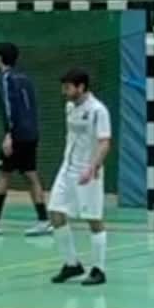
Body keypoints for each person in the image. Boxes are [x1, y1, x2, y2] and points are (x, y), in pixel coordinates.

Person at [48, 69, 112, 286]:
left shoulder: (98, 111)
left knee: (93, 219)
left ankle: (99, 269)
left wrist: (92, 167)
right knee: (56, 213)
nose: (64, 92)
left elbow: (104, 143)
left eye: (67, 87)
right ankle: (72, 264)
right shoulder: (69, 108)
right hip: (67, 170)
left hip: (88, 171)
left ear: (81, 87)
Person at [0, 43, 52, 236]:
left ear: (0, 58)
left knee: (4, 175)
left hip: (17, 135)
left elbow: (9, 108)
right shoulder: (26, 79)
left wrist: (9, 135)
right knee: (31, 175)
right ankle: (43, 220)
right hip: (31, 133)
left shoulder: (5, 79)